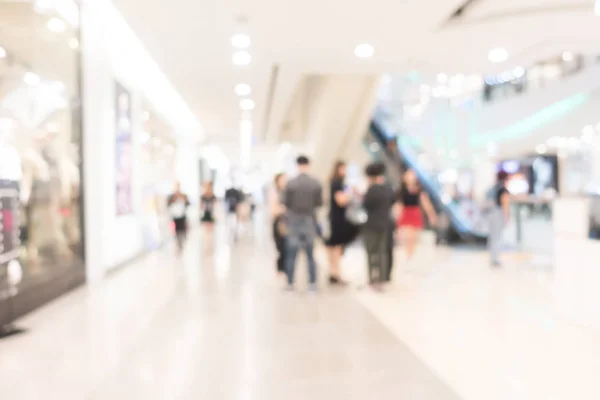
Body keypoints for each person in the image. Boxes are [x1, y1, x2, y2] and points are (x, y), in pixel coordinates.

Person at [283, 155, 323, 291]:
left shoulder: (290, 183)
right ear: (309, 165)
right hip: (309, 220)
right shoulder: (315, 183)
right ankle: (312, 282)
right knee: (311, 254)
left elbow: (286, 203)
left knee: (291, 254)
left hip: (294, 221)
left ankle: (290, 282)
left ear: (297, 165)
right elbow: (319, 203)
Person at [362, 163, 396, 291]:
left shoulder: (371, 190)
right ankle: (383, 278)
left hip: (371, 224)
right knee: (383, 252)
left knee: (371, 253)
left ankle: (372, 278)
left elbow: (365, 205)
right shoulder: (388, 188)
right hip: (386, 224)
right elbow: (393, 201)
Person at [325, 161, 358, 286]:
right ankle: (336, 273)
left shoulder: (335, 182)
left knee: (333, 247)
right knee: (336, 247)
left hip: (336, 218)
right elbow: (341, 201)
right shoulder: (337, 183)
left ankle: (334, 273)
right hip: (337, 219)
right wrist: (350, 192)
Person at [396, 169, 436, 260]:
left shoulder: (419, 190)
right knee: (407, 234)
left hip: (415, 212)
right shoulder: (401, 190)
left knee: (414, 235)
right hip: (406, 212)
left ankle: (411, 252)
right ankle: (408, 252)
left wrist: (431, 215)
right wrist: (398, 216)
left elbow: (426, 203)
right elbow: (399, 204)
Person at [488, 170, 510, 267]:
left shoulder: (494, 187)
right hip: (498, 213)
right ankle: (495, 259)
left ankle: (493, 257)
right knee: (497, 237)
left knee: (493, 237)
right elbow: (505, 204)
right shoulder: (503, 189)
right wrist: (507, 217)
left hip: (492, 213)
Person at [270, 173, 287, 276]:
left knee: (287, 247)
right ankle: (280, 270)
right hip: (279, 223)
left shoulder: (287, 192)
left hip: (288, 222)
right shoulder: (275, 193)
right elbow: (274, 211)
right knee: (281, 247)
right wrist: (284, 209)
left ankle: (286, 270)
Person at [167, 182, 190, 252]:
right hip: (175, 217)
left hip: (182, 217)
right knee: (176, 232)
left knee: (182, 231)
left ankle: (182, 243)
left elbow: (187, 204)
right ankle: (178, 245)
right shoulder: (171, 197)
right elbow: (168, 206)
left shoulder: (183, 196)